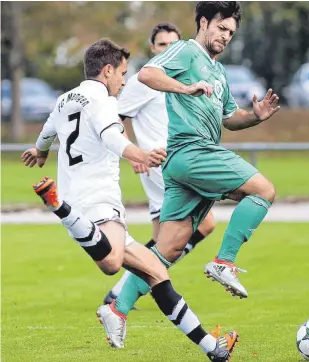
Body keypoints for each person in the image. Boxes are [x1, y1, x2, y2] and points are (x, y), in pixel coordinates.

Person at [21, 38, 239, 361]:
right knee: (111, 263)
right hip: (96, 201)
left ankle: (212, 348)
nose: (124, 81)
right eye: (122, 73)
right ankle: (57, 206)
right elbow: (111, 136)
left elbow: (47, 131)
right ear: (107, 71)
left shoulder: (65, 99)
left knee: (156, 273)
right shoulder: (105, 102)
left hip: (83, 204)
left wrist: (39, 151)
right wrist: (141, 154)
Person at [107, 1, 281, 344]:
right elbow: (147, 74)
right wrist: (185, 87)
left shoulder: (219, 72)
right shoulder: (187, 51)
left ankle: (117, 308)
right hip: (193, 151)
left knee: (167, 248)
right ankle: (224, 262)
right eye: (221, 28)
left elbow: (229, 118)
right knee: (264, 190)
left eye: (231, 32)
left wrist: (256, 116)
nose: (226, 36)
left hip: (183, 163)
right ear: (203, 22)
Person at [103, 22, 216, 305]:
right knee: (205, 223)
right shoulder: (144, 80)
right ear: (153, 48)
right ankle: (134, 285)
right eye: (162, 44)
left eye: (173, 44)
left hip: (178, 160)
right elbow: (116, 117)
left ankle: (126, 290)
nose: (167, 49)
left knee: (161, 236)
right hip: (161, 164)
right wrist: (134, 154)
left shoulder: (183, 79)